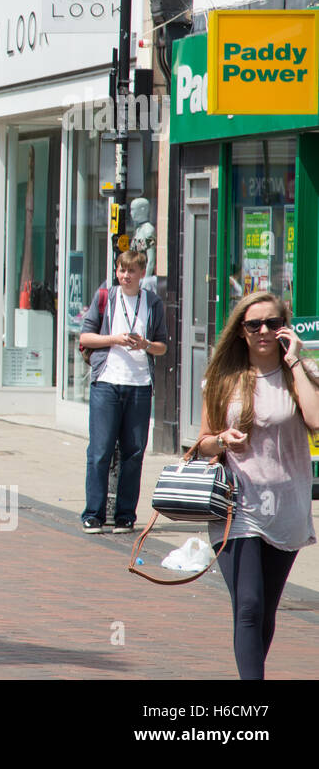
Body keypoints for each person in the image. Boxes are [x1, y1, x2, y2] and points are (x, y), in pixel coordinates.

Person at [190, 291, 319, 679]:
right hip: (236, 504)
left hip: (286, 505)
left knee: (264, 608)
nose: (264, 330)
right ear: (241, 331)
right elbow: (202, 443)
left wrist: (295, 358)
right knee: (247, 604)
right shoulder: (223, 378)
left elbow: (315, 421)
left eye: (272, 323)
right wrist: (221, 441)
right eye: (254, 324)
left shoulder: (300, 373)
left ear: (285, 327)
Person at [77, 248, 170, 533]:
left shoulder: (153, 303)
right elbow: (85, 336)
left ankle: (125, 515)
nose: (125, 276)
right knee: (101, 450)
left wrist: (145, 345)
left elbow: (162, 346)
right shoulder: (106, 296)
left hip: (139, 385)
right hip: (107, 382)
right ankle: (93, 513)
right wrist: (114, 339)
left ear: (142, 273)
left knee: (133, 452)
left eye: (131, 271)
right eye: (121, 270)